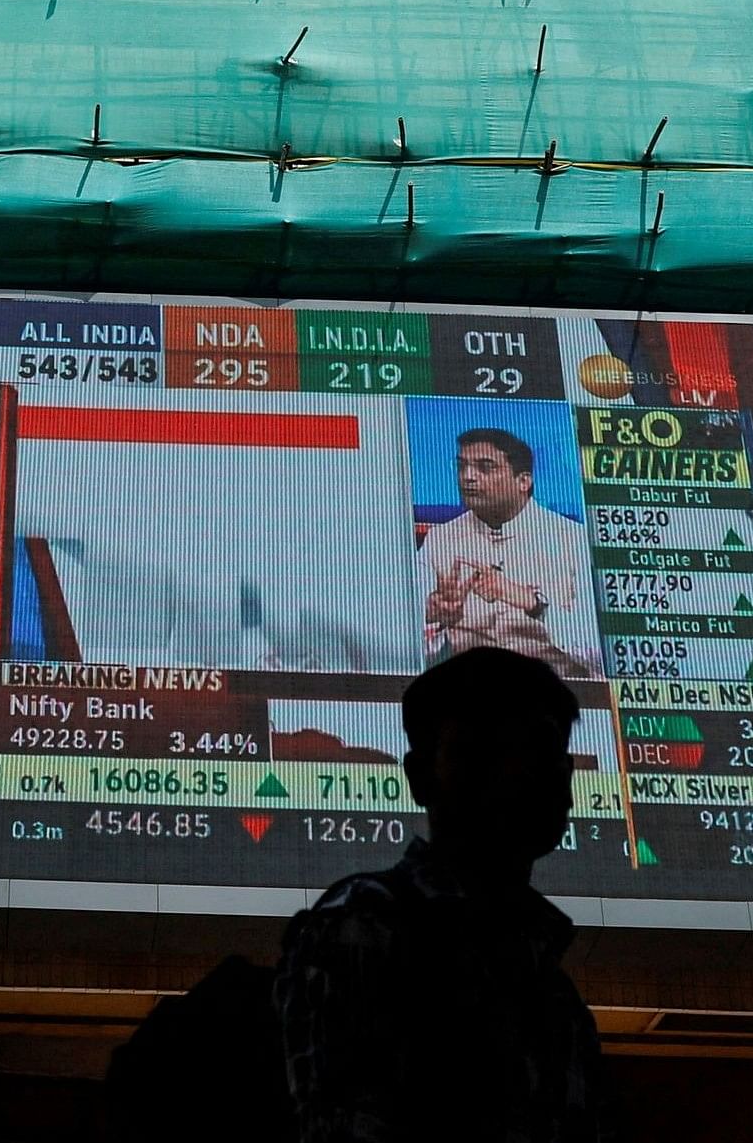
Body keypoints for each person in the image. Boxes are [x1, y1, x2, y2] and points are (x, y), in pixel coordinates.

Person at [276, 647, 606, 1143]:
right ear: (420, 776)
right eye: (490, 749)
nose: (523, 772)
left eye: (543, 748)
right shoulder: (365, 925)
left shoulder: (557, 996)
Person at [416, 428, 601, 677]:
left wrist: (536, 606)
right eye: (461, 466)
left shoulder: (573, 540)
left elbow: (603, 655)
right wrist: (430, 617)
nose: (468, 477)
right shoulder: (440, 540)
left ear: (524, 481)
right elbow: (408, 650)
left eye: (485, 467)